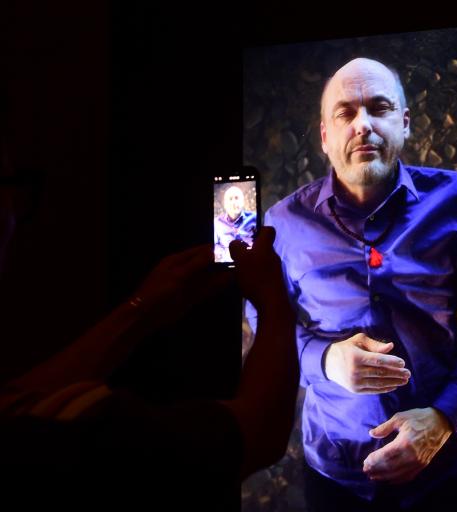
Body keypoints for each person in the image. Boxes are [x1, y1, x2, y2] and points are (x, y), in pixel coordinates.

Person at [256, 58, 457, 511]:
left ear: (403, 123)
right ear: (325, 136)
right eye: (345, 113)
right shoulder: (282, 224)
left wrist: (443, 418)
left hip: (448, 470)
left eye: (379, 108)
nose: (363, 124)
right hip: (337, 478)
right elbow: (263, 320)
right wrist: (323, 360)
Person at [0, 132, 298, 506]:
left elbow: (19, 399)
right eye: (10, 184)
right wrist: (273, 297)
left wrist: (144, 307)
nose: (15, 210)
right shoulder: (85, 437)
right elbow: (258, 431)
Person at [214, 185, 257, 262]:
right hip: (226, 265)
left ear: (243, 201)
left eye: (237, 198)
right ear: (225, 204)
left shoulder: (254, 218)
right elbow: (214, 244)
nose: (234, 202)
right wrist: (225, 253)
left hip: (250, 263)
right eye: (230, 199)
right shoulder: (217, 223)